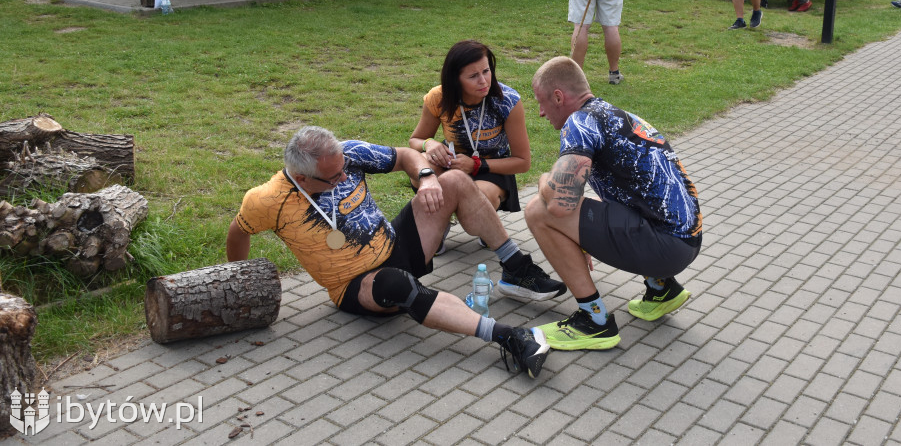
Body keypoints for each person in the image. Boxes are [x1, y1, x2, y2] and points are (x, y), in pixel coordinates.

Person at [228, 126, 565, 379]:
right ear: (302, 177)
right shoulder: (267, 200)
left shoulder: (346, 154)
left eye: (344, 166)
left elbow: (405, 155)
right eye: (334, 177)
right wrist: (241, 280)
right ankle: (509, 337)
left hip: (397, 245)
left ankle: (516, 267)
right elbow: (238, 231)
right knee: (397, 285)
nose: (345, 175)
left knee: (456, 182)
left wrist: (428, 177)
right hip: (357, 285)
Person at [524, 57, 703, 350]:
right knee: (593, 201)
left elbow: (558, 203)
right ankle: (661, 290)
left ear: (558, 97)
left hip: (665, 247)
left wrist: (545, 178)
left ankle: (594, 322)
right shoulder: (617, 114)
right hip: (687, 240)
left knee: (537, 211)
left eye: (541, 102)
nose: (541, 113)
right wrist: (581, 232)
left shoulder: (579, 121)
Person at [410, 40, 530, 253]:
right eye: (473, 76)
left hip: (491, 169)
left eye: (486, 71)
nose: (484, 81)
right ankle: (437, 226)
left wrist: (476, 165)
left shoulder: (507, 100)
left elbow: (522, 162)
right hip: (452, 163)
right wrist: (430, 144)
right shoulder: (438, 97)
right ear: (455, 80)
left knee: (475, 206)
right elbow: (415, 140)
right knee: (420, 169)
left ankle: (486, 226)